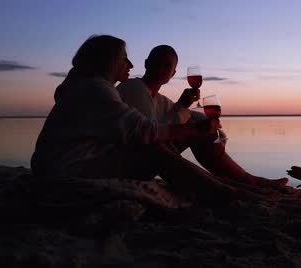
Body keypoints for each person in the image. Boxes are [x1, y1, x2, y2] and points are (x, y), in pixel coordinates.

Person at [30, 35, 248, 202]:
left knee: (162, 142)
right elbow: (146, 131)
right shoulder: (97, 89)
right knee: (153, 148)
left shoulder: (91, 87)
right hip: (68, 171)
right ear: (110, 61)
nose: (130, 65)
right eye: (125, 59)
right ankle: (223, 190)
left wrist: (214, 133)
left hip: (69, 165)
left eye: (168, 67)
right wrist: (195, 130)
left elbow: (185, 119)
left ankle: (229, 185)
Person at [117, 45, 288, 187]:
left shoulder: (159, 99)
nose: (162, 69)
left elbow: (195, 119)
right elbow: (150, 135)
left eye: (167, 66)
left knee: (201, 130)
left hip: (148, 160)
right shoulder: (134, 88)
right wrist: (182, 106)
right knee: (197, 133)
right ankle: (246, 181)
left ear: (173, 73)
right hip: (128, 164)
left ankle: (237, 180)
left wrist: (220, 135)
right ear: (147, 64)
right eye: (158, 63)